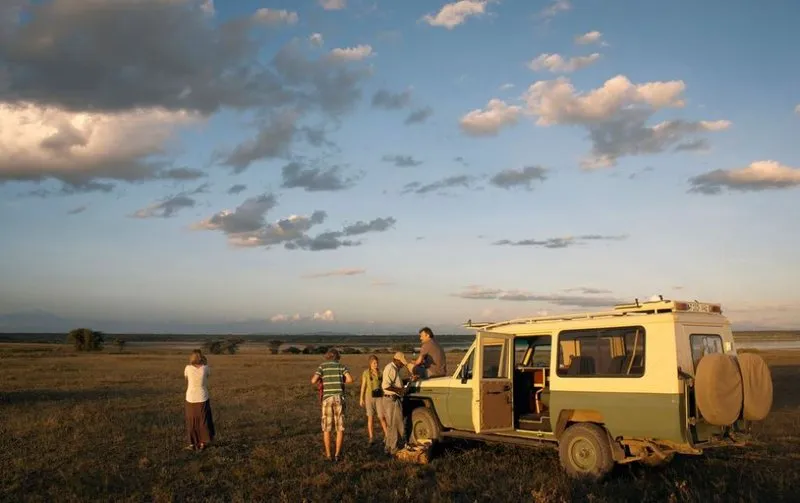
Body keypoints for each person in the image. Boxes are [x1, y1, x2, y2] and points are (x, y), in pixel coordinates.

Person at [311, 348, 353, 462]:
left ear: (327, 356)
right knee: (340, 428)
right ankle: (337, 454)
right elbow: (350, 379)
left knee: (327, 429)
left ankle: (328, 455)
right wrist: (340, 380)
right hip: (339, 398)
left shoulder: (322, 367)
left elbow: (313, 380)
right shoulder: (341, 366)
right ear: (337, 357)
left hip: (327, 398)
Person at [184, 349, 215, 451]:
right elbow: (208, 376)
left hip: (191, 398)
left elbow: (186, 378)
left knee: (191, 421)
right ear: (202, 357)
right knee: (203, 420)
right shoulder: (206, 368)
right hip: (202, 397)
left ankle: (192, 444)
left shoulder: (188, 368)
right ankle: (202, 443)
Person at [381, 351, 409, 456]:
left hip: (391, 399)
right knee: (395, 424)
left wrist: (408, 380)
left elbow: (395, 383)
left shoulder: (394, 368)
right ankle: (394, 448)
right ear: (396, 360)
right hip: (391, 399)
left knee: (391, 425)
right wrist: (399, 391)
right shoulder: (391, 369)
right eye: (401, 363)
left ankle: (388, 447)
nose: (402, 365)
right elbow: (385, 385)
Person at [359, 354, 388, 445]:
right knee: (370, 417)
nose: (376, 365)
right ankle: (371, 437)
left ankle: (387, 435)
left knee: (381, 417)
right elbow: (363, 386)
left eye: (377, 363)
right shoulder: (366, 373)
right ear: (370, 363)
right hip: (369, 397)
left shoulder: (381, 372)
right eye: (374, 363)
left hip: (379, 397)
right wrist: (361, 398)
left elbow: (384, 385)